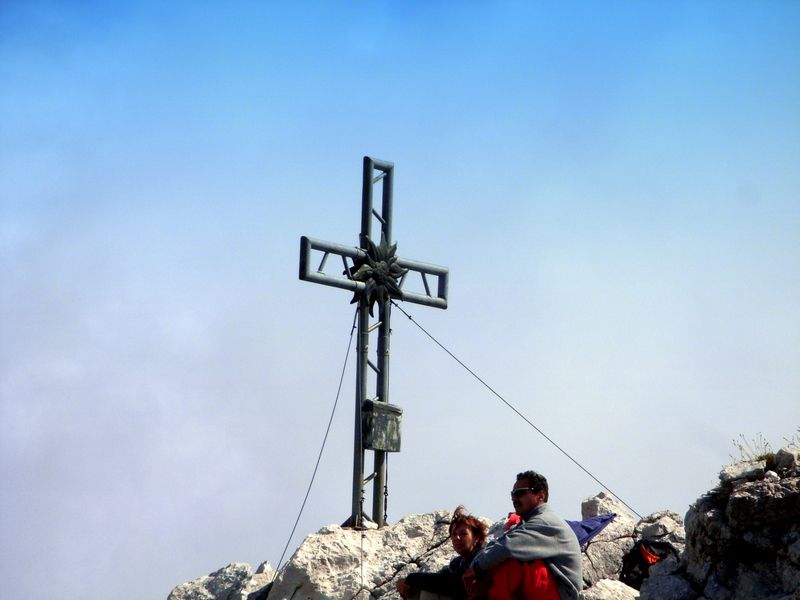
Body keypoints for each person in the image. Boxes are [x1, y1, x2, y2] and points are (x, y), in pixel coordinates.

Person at [463, 470, 582, 600]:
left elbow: (507, 547)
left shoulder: (545, 521)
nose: (514, 499)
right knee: (498, 559)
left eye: (520, 493)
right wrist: (477, 567)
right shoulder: (528, 523)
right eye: (513, 494)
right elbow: (498, 544)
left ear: (540, 496)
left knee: (514, 559)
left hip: (562, 594)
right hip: (546, 590)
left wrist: (476, 569)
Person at [396, 506, 487, 600]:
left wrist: (411, 578)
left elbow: (453, 584)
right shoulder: (456, 563)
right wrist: (406, 585)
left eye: (463, 534)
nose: (457, 538)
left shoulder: (482, 558)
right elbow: (439, 578)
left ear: (476, 537)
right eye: (454, 534)